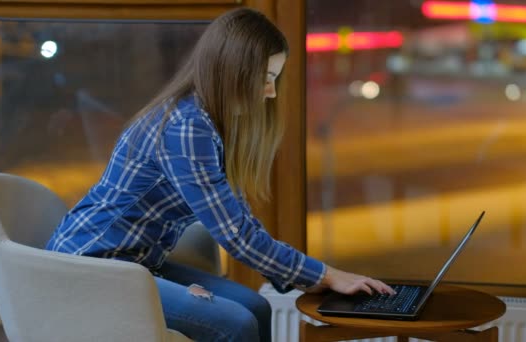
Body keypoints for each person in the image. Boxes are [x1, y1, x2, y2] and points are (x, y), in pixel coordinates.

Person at [45, 7, 395, 342]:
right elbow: (236, 236)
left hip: (134, 264)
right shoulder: (187, 128)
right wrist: (326, 275)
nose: (271, 92)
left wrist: (312, 278)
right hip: (92, 269)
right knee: (235, 323)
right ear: (232, 71)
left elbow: (239, 219)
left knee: (257, 307)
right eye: (266, 79)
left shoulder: (207, 123)